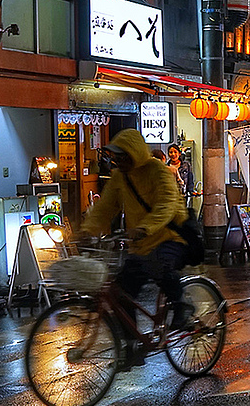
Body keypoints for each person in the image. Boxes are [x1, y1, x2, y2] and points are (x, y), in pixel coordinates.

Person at [80, 129, 190, 365]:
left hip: (170, 234)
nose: (119, 161)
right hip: (140, 242)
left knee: (161, 266)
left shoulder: (157, 170)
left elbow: (167, 204)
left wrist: (145, 228)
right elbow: (105, 206)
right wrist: (88, 230)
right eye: (116, 157)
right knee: (121, 292)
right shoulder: (120, 176)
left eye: (123, 156)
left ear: (135, 153)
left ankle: (182, 308)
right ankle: (131, 347)